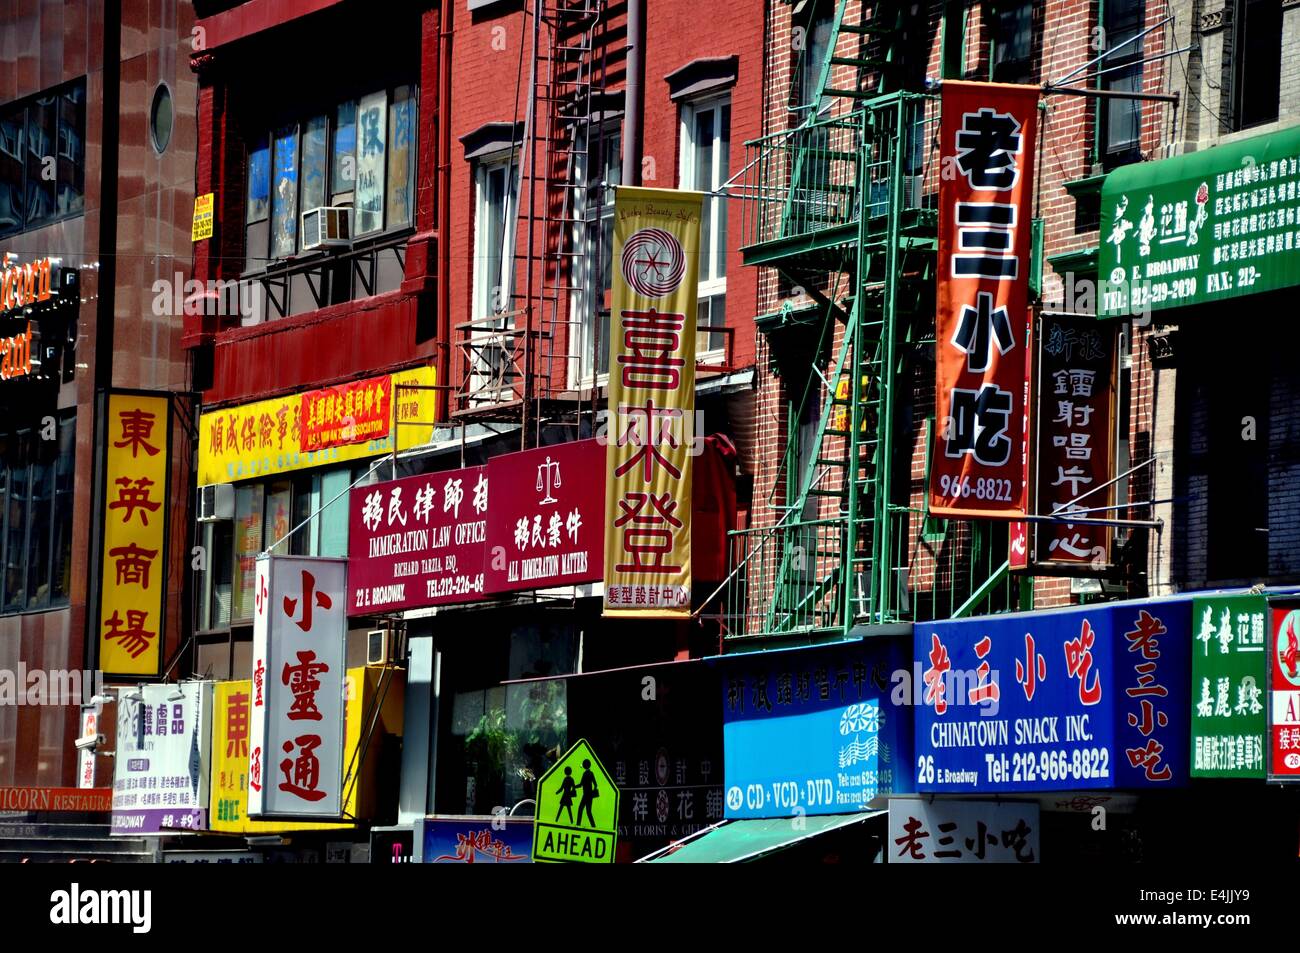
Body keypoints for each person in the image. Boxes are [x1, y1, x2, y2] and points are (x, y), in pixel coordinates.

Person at [576, 758, 599, 827]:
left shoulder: (585, 773)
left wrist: (574, 786)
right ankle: (593, 826)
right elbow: (595, 784)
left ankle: (578, 825)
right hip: (590, 795)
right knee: (588, 811)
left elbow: (581, 784)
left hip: (586, 795)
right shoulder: (591, 773)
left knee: (580, 809)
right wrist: (593, 791)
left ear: (585, 765)